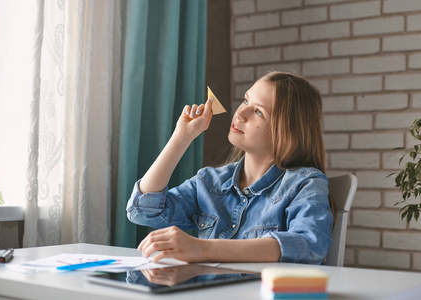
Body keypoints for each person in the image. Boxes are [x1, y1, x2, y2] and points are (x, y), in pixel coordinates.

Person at [126, 71, 335, 265]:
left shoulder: (305, 184)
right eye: (246, 100)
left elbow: (309, 244)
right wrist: (182, 136)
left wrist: (204, 248)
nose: (240, 113)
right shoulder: (210, 182)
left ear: (287, 132)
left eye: (258, 112)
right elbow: (142, 211)